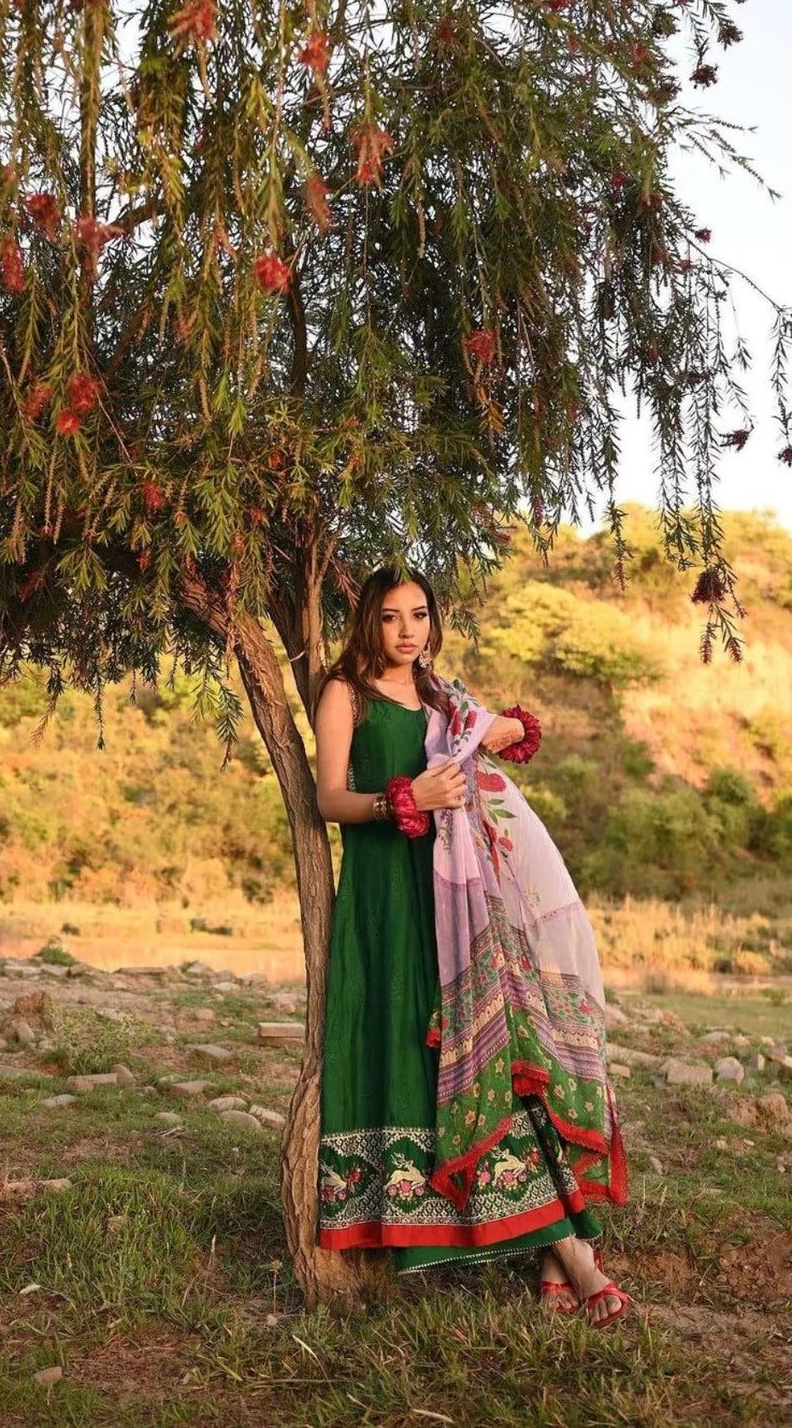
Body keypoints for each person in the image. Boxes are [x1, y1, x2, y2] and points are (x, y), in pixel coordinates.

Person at [312, 567, 631, 1327]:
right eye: (391, 617)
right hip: (386, 896)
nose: (407, 631)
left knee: (499, 1055)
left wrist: (498, 732)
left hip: (458, 899)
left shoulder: (441, 696)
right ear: (368, 621)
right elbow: (326, 798)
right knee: (417, 1046)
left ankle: (565, 1252)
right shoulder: (344, 692)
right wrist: (404, 798)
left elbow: (488, 744)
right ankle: (569, 1256)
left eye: (420, 615)